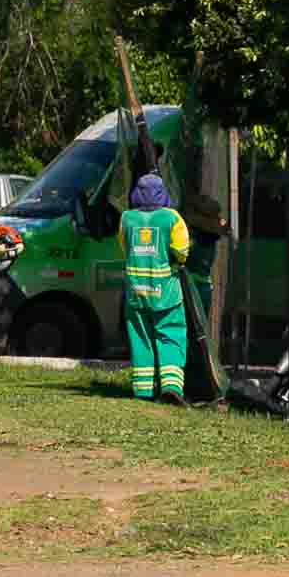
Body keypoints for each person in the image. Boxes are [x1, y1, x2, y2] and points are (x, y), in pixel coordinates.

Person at [119, 169, 193, 403]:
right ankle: (171, 387)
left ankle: (142, 390)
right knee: (170, 334)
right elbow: (181, 250)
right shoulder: (172, 218)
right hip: (166, 292)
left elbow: (124, 248)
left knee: (140, 339)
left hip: (136, 292)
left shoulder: (126, 218)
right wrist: (175, 260)